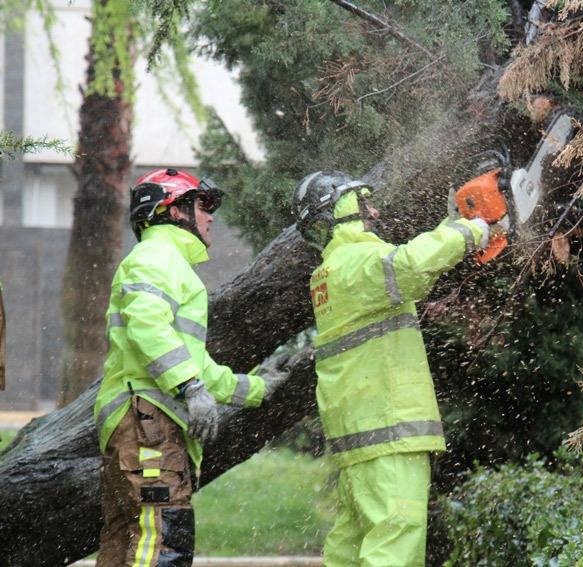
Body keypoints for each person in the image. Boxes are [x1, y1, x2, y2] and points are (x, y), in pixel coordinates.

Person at [293, 171, 490, 566]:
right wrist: (471, 231)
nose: (375, 212)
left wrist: (451, 225)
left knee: (350, 550)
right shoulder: (357, 262)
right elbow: (412, 264)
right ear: (340, 211)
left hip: (361, 439)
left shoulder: (332, 272)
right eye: (363, 203)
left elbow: (408, 266)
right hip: (389, 432)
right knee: (394, 542)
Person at [93, 168, 284, 566]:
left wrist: (257, 388)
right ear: (174, 211)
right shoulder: (157, 257)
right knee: (160, 539)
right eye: (203, 205)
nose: (211, 216)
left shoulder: (167, 263)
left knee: (126, 540)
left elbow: (197, 365)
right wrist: (190, 389)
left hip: (140, 422)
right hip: (148, 422)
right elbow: (148, 327)